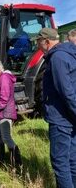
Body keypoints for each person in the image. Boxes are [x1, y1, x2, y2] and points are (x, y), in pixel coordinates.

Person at [35, 28, 76, 188]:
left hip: (61, 119)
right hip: (69, 117)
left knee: (60, 163)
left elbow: (66, 92)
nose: (37, 45)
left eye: (38, 42)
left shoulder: (57, 58)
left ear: (46, 41)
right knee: (72, 159)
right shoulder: (68, 53)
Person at [0, 59, 22, 169]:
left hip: (5, 112)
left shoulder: (4, 79)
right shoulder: (2, 77)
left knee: (6, 137)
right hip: (2, 112)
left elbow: (4, 97)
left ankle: (17, 161)